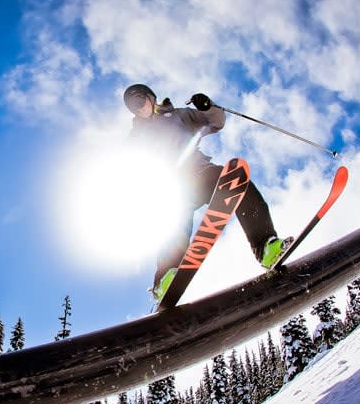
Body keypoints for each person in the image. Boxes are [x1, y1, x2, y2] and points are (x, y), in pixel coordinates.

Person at [123, 83, 291, 300]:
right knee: (173, 223)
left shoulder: (178, 116)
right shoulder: (136, 135)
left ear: (151, 98)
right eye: (133, 107)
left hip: (199, 174)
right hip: (170, 187)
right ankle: (165, 279)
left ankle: (266, 248)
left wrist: (207, 107)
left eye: (140, 101)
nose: (139, 108)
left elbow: (216, 122)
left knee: (237, 179)